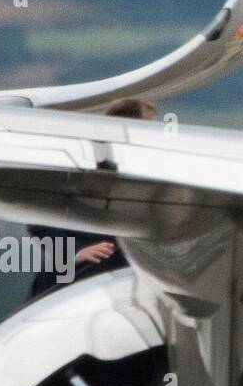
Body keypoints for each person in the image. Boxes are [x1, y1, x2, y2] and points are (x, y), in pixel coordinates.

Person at [25, 98, 155, 299]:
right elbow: (38, 215)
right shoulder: (82, 161)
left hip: (121, 280)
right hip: (73, 282)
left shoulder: (144, 168)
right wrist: (77, 252)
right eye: (149, 127)